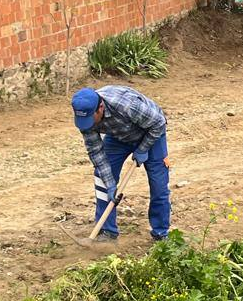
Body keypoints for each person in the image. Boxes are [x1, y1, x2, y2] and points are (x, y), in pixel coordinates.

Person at [71, 85, 170, 242]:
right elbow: (96, 152)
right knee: (102, 181)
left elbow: (159, 123)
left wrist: (143, 148)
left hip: (150, 132)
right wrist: (110, 185)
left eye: (90, 119)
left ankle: (161, 233)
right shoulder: (85, 119)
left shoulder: (127, 105)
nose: (88, 125)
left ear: (101, 107)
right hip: (118, 136)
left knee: (159, 184)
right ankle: (107, 232)